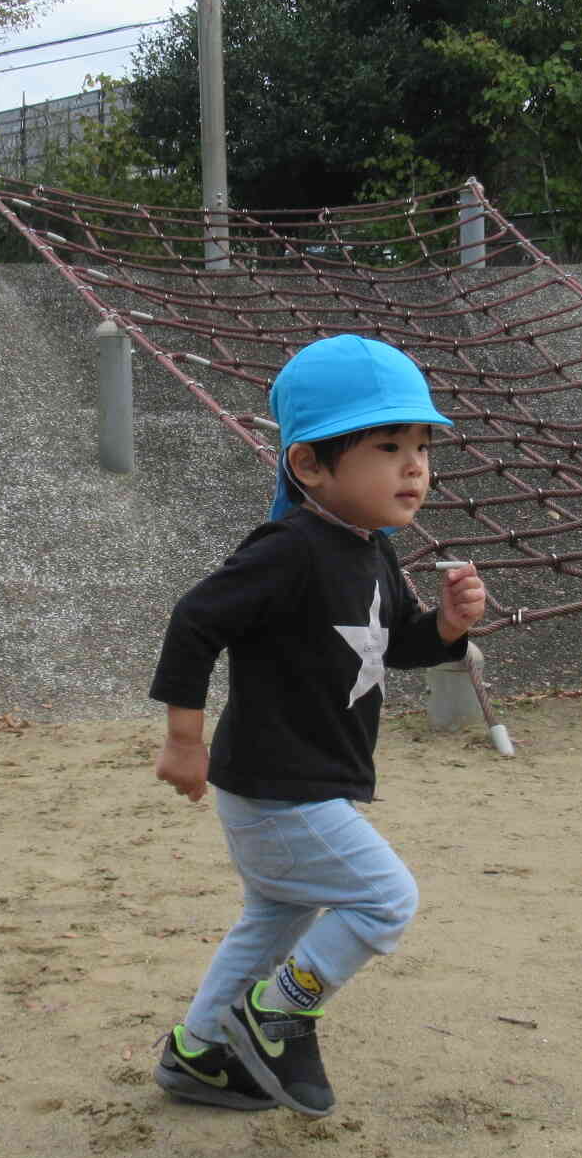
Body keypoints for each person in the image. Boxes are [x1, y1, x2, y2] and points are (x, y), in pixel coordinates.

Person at [147, 335, 487, 1115]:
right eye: (387, 445)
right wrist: (183, 741)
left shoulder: (373, 551)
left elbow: (395, 645)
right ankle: (277, 1013)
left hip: (301, 779)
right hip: (277, 782)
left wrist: (445, 623)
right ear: (309, 465)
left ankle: (200, 1054)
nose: (414, 467)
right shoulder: (291, 549)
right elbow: (197, 619)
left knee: (272, 920)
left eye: (423, 447)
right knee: (384, 899)